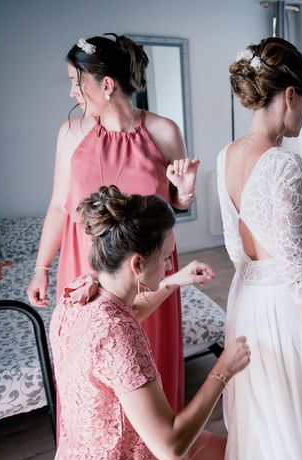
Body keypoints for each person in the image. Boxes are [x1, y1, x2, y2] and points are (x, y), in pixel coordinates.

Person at [26, 34, 197, 412]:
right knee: (95, 380)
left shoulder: (164, 132)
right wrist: (41, 268)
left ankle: (155, 457)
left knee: (146, 369)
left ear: (106, 84)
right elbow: (58, 206)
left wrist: (185, 192)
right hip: (86, 270)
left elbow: (174, 206)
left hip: (146, 274)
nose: (71, 92)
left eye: (75, 80)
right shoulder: (71, 134)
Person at [217, 37, 302, 460]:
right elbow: (298, 269)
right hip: (283, 308)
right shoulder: (284, 165)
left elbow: (235, 248)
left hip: (247, 299)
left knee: (261, 414)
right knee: (291, 418)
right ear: (289, 95)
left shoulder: (226, 157)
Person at [50, 185, 251, 460]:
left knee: (225, 451)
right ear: (138, 263)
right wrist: (223, 369)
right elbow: (170, 447)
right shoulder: (118, 334)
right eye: (167, 257)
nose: (170, 265)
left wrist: (171, 282)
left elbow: (126, 315)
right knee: (233, 459)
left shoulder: (79, 296)